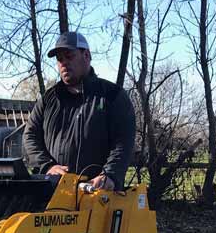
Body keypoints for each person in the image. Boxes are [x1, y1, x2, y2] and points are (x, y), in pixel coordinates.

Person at [23, 31, 136, 192]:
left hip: (97, 195)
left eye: (69, 56)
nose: (63, 63)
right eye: (60, 59)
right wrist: (47, 166)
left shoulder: (112, 95)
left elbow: (124, 141)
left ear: (86, 55)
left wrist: (110, 174)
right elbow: (30, 136)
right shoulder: (49, 99)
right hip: (52, 193)